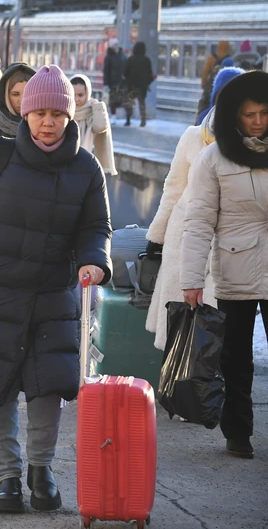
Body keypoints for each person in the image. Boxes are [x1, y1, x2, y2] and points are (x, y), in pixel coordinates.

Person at [0, 65, 112, 514]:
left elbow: (96, 226)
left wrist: (95, 261)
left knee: (46, 387)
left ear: (70, 117)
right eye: (40, 113)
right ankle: (8, 477)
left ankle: (42, 470)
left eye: (57, 113)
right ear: (25, 113)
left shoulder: (86, 167)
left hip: (52, 294)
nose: (48, 122)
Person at [181, 71, 268, 460]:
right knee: (235, 358)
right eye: (250, 115)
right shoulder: (212, 159)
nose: (259, 122)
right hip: (237, 267)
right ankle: (238, 434)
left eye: (265, 113)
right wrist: (191, 278)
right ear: (235, 116)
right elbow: (199, 221)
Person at [144, 67, 244, 350]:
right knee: (180, 331)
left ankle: (216, 389)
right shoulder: (192, 136)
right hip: (184, 241)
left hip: (228, 245)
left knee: (217, 334)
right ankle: (177, 391)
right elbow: (173, 188)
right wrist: (157, 234)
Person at [70, 74, 117, 176]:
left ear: (88, 93)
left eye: (80, 95)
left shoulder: (94, 109)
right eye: (73, 94)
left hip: (87, 162)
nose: (76, 99)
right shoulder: (64, 110)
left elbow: (100, 127)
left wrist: (99, 108)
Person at [123, 41, 154, 127]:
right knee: (142, 103)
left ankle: (128, 120)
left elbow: (125, 73)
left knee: (129, 103)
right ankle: (143, 120)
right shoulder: (147, 60)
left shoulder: (130, 59)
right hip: (142, 86)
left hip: (131, 85)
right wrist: (146, 83)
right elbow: (150, 74)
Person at [103, 38, 126, 117]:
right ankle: (113, 115)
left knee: (122, 97)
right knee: (113, 99)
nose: (116, 46)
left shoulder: (122, 55)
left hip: (122, 81)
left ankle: (123, 116)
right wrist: (106, 83)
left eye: (117, 44)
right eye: (115, 44)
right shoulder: (108, 57)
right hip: (112, 81)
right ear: (111, 46)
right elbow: (106, 71)